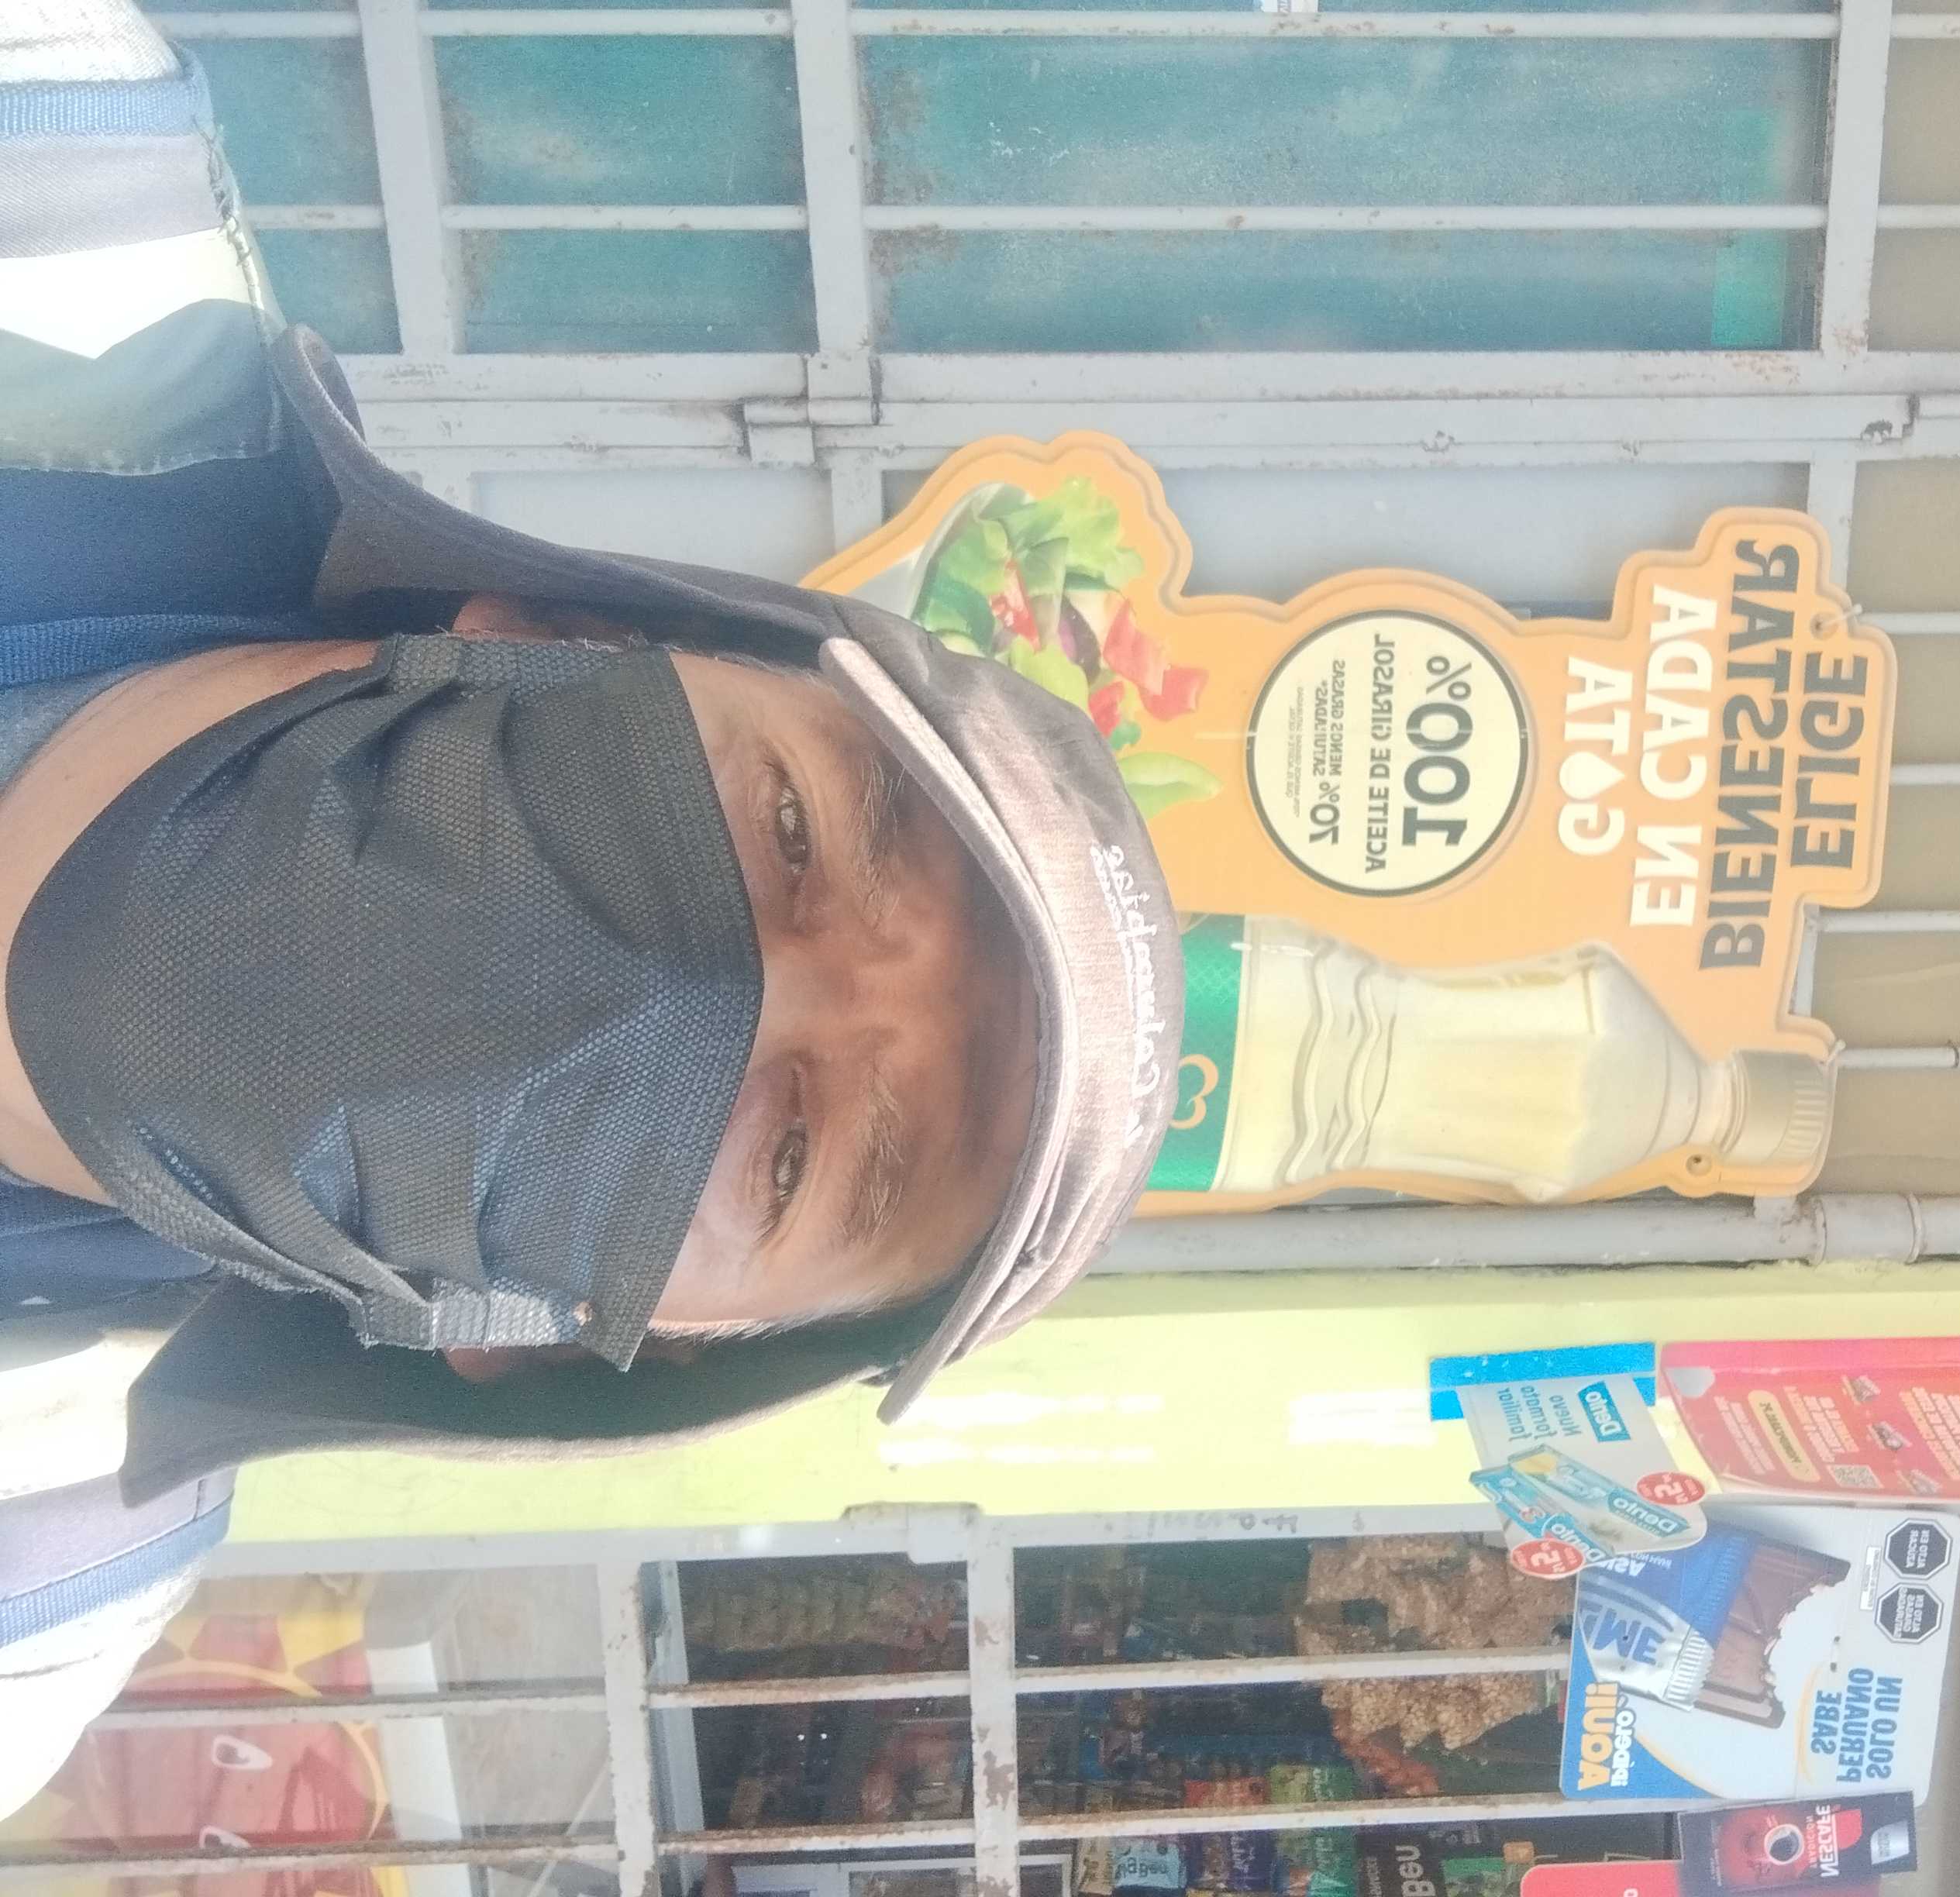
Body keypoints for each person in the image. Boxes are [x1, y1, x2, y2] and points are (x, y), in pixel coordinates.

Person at [0, 0, 1183, 1818]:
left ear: (537, 1341)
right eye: (785, 827)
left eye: (794, 1158)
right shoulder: (61, 219)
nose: (675, 998)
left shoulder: (29, 1589)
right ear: (560, 630)